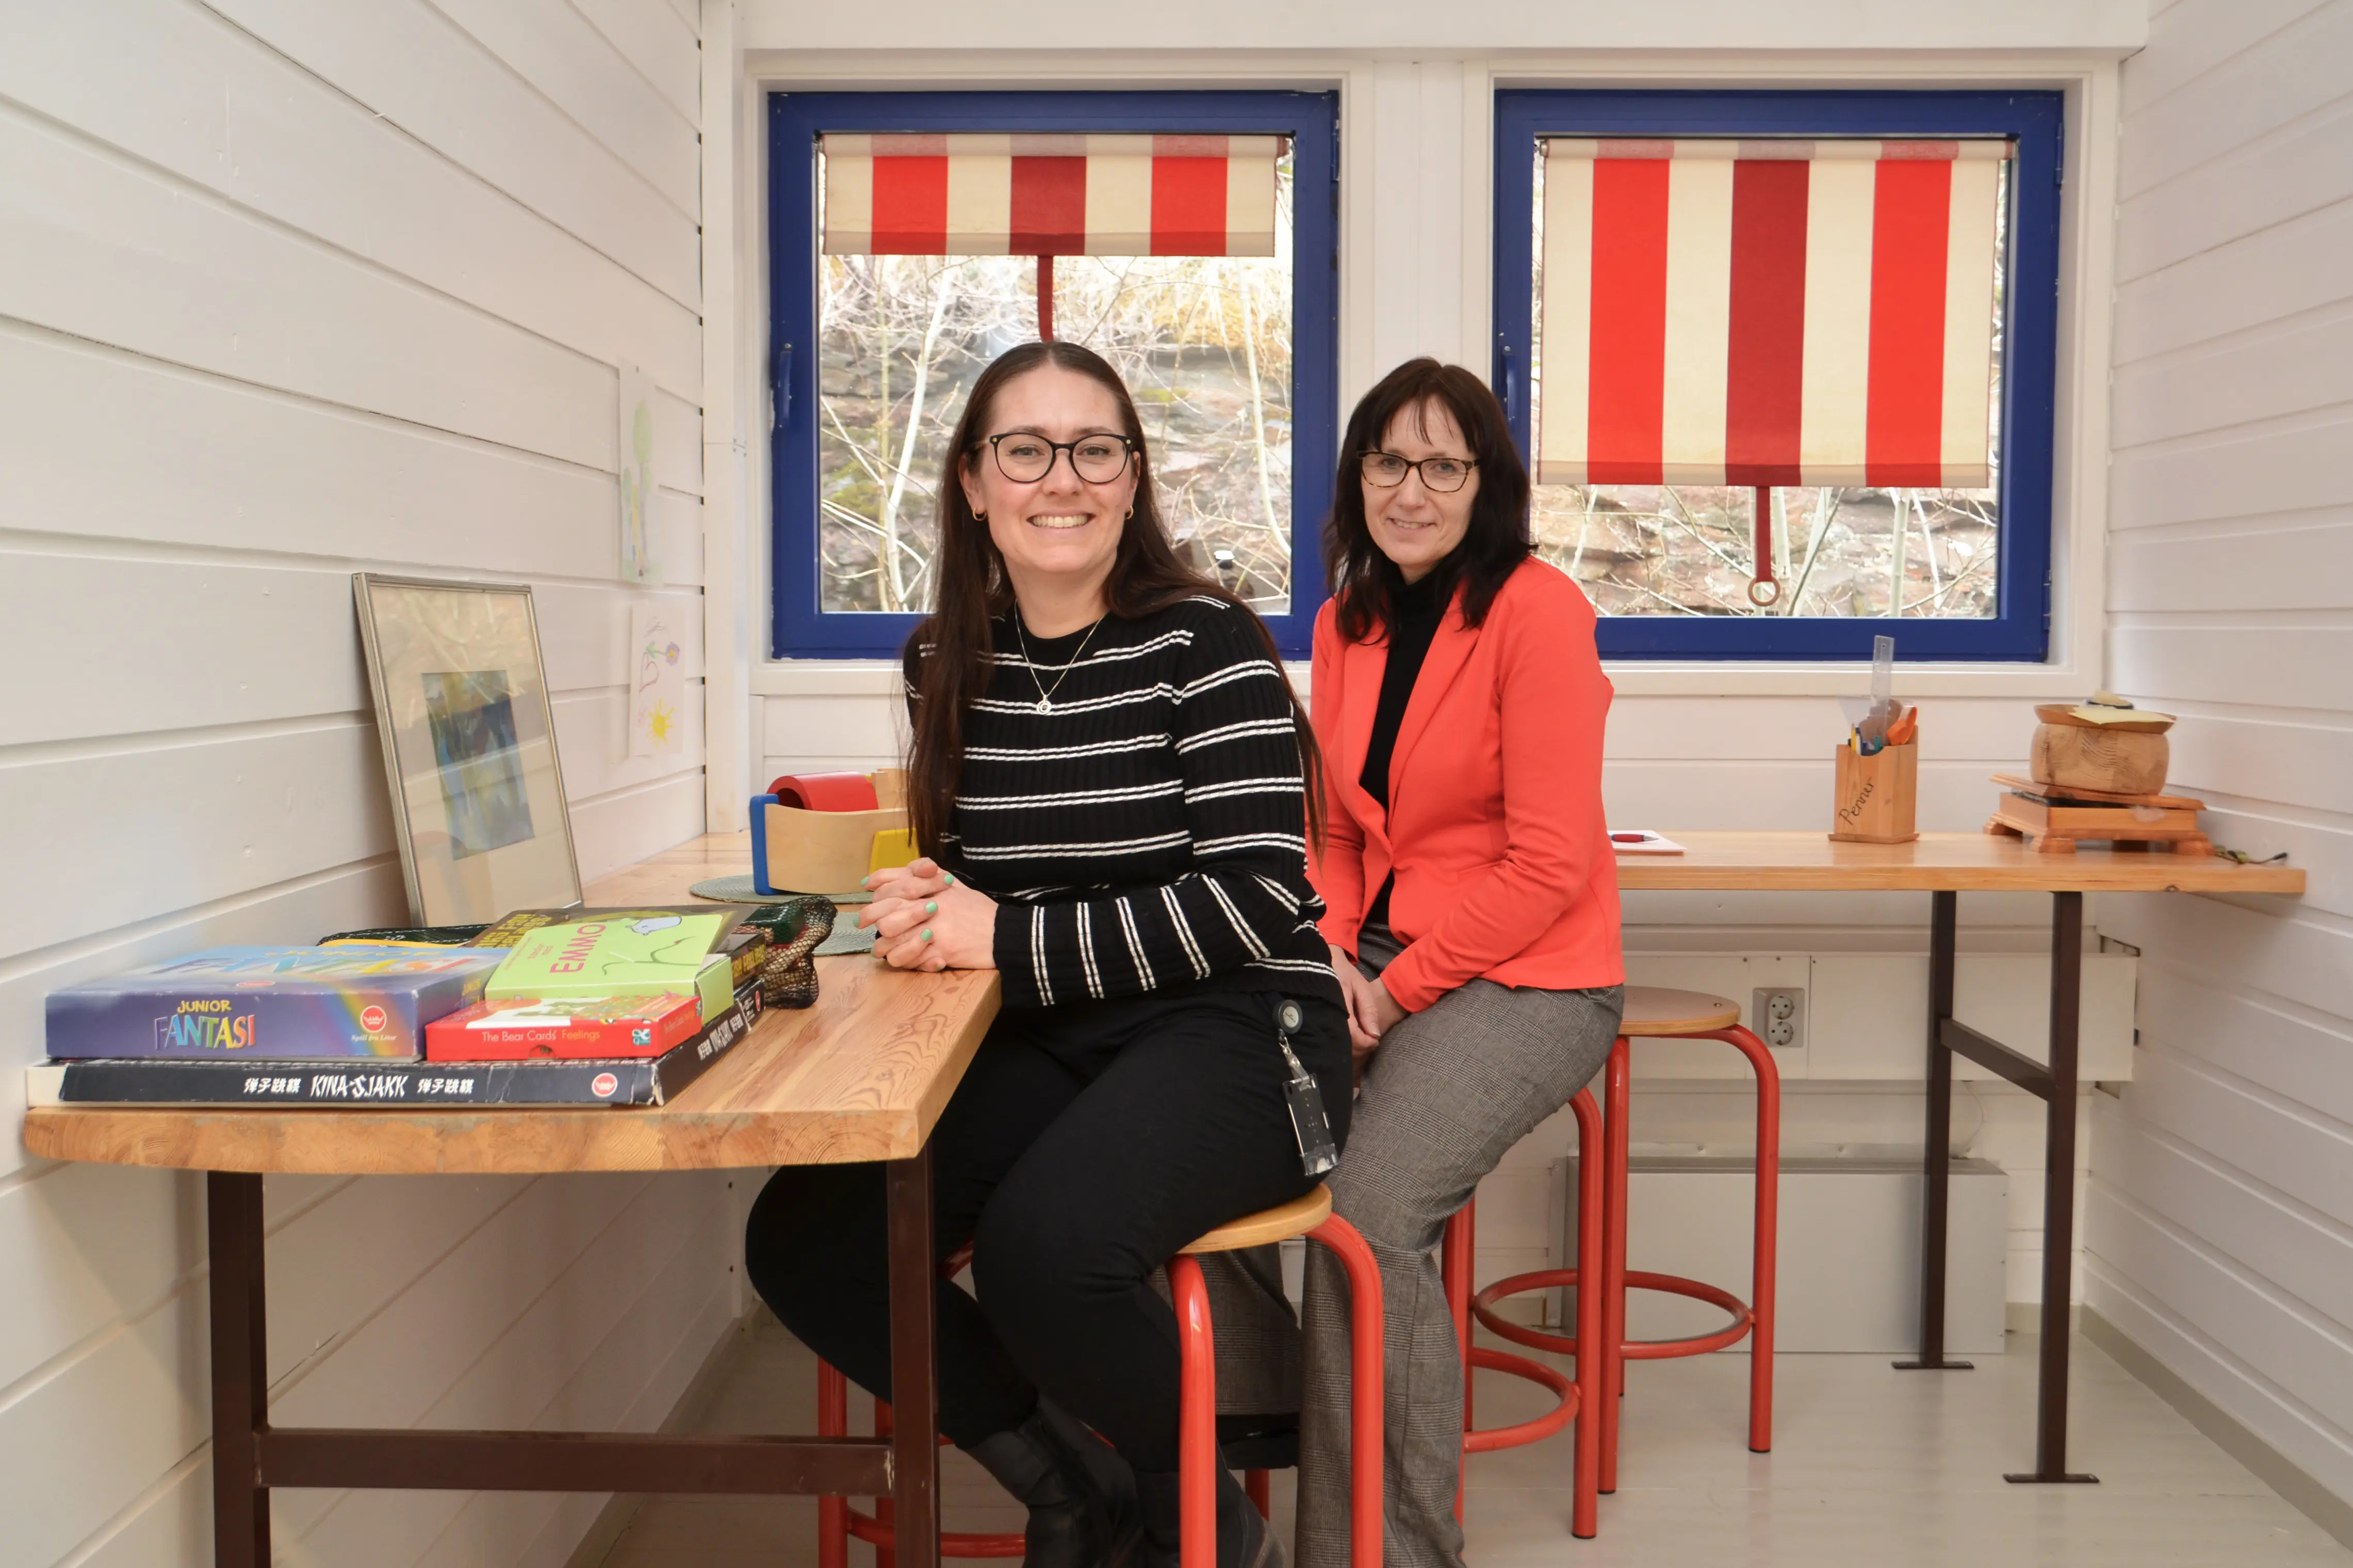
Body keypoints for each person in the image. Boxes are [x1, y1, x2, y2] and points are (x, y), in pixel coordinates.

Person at [744, 340, 1351, 1568]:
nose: (1059, 479)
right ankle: (1072, 1487)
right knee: (805, 1238)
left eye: (1095, 449)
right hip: (1054, 1025)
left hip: (1240, 1029)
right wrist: (936, 904)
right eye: (1025, 449)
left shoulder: (1208, 642)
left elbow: (1249, 898)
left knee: (1046, 1253)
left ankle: (1209, 1529)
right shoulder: (944, 658)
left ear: (1131, 480)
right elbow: (992, 881)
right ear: (973, 481)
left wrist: (1002, 933)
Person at [1292, 359, 1625, 1568]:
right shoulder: (1345, 620)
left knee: (1368, 1215)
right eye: (1390, 460)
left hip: (1536, 975)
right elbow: (1334, 831)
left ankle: (1397, 1550)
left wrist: (1393, 987)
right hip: (1374, 951)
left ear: (1486, 482)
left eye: (1444, 464)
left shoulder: (1538, 610)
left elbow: (1547, 865)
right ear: (1357, 477)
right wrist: (1329, 954)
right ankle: (1245, 1470)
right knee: (1197, 1136)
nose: (1413, 489)